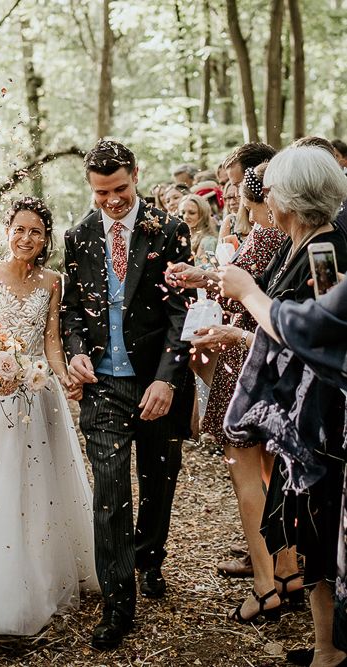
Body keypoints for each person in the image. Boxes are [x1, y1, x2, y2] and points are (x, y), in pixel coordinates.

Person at [0, 196, 97, 635]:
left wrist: (64, 377)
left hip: (34, 388)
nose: (26, 238)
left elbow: (50, 339)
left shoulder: (53, 281)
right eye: (19, 229)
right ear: (6, 230)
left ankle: (36, 573)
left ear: (46, 238)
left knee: (37, 484)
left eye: (36, 232)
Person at [62, 139, 195, 649]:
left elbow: (183, 311)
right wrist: (75, 350)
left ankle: (150, 559)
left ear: (136, 175)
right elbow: (72, 308)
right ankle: (117, 605)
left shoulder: (170, 229)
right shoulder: (78, 236)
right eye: (101, 192)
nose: (112, 200)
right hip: (104, 383)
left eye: (120, 188)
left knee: (158, 479)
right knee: (110, 491)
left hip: (157, 378)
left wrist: (167, 379)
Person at [218, 145, 347, 667]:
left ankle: (330, 650)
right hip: (301, 422)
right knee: (309, 531)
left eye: (270, 186)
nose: (261, 194)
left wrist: (247, 292)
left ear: (291, 199)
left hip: (325, 425)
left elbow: (316, 337)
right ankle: (324, 645)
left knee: (321, 533)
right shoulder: (298, 244)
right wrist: (236, 333)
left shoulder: (325, 255)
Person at [166, 163, 298, 621]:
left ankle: (265, 585)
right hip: (275, 364)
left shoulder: (265, 233)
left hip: (245, 359)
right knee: (272, 470)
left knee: (246, 476)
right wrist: (203, 274)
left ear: (250, 194)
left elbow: (233, 289)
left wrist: (201, 280)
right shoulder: (293, 236)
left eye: (237, 188)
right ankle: (288, 568)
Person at [178, 193, 218, 267]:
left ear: (203, 214)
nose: (186, 216)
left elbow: (210, 271)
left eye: (192, 213)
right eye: (183, 212)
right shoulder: (181, 237)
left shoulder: (208, 241)